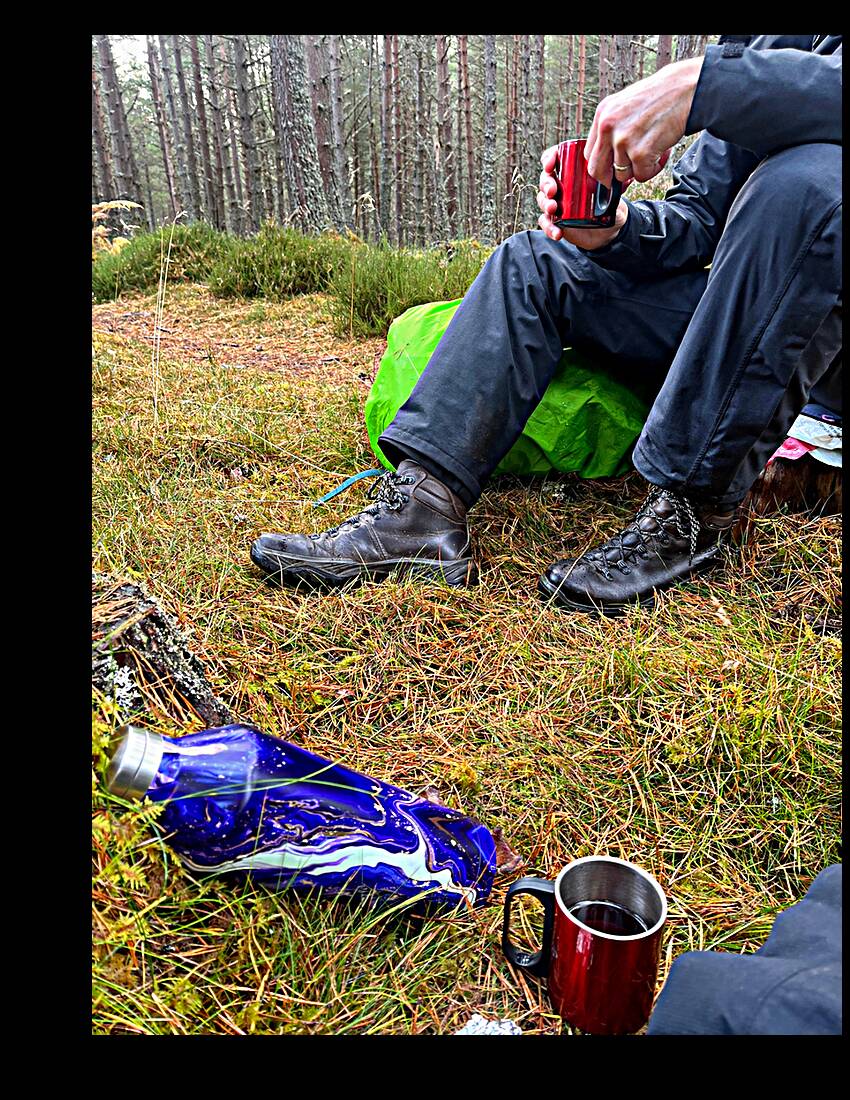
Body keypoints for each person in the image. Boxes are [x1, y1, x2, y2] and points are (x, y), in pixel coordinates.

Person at [251, 35, 842, 616]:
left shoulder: (736, 69)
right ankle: (422, 511)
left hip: (822, 337)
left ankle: (692, 515)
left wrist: (705, 84)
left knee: (805, 183)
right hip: (742, 316)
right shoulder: (764, 38)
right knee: (534, 263)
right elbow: (695, 221)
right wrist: (615, 230)